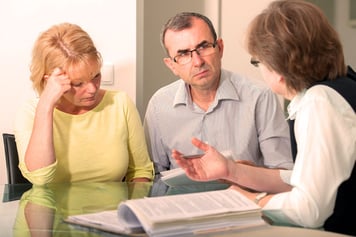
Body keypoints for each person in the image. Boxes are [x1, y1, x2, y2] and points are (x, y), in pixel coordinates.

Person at [172, 1, 356, 235]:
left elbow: (309, 209)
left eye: (257, 61)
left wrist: (249, 200)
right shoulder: (341, 87)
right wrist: (230, 170)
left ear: (277, 67)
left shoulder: (319, 102)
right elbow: (309, 175)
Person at [144, 12, 293, 177]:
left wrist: (242, 171)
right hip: (182, 201)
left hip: (245, 200)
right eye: (184, 54)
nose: (198, 62)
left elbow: (284, 173)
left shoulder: (260, 96)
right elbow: (155, 176)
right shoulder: (159, 105)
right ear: (172, 65)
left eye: (203, 47)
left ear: (220, 48)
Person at [14, 23, 154, 185]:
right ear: (50, 81)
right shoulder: (30, 112)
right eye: (78, 84)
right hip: (54, 211)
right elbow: (40, 178)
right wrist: (46, 105)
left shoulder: (120, 103)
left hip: (112, 209)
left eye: (96, 76)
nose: (92, 89)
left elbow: (140, 170)